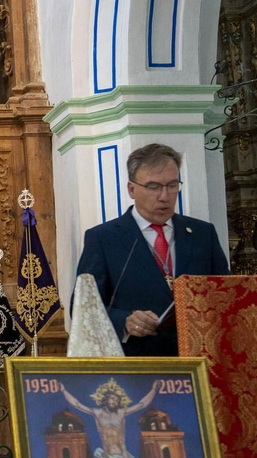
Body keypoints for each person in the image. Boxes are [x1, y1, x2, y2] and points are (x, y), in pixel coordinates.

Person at [74, 143, 230, 356]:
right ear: (132, 189)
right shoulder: (103, 238)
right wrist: (125, 321)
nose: (164, 196)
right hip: (136, 364)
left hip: (198, 360)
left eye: (172, 185)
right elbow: (82, 307)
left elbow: (225, 294)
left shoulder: (203, 234)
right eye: (153, 186)